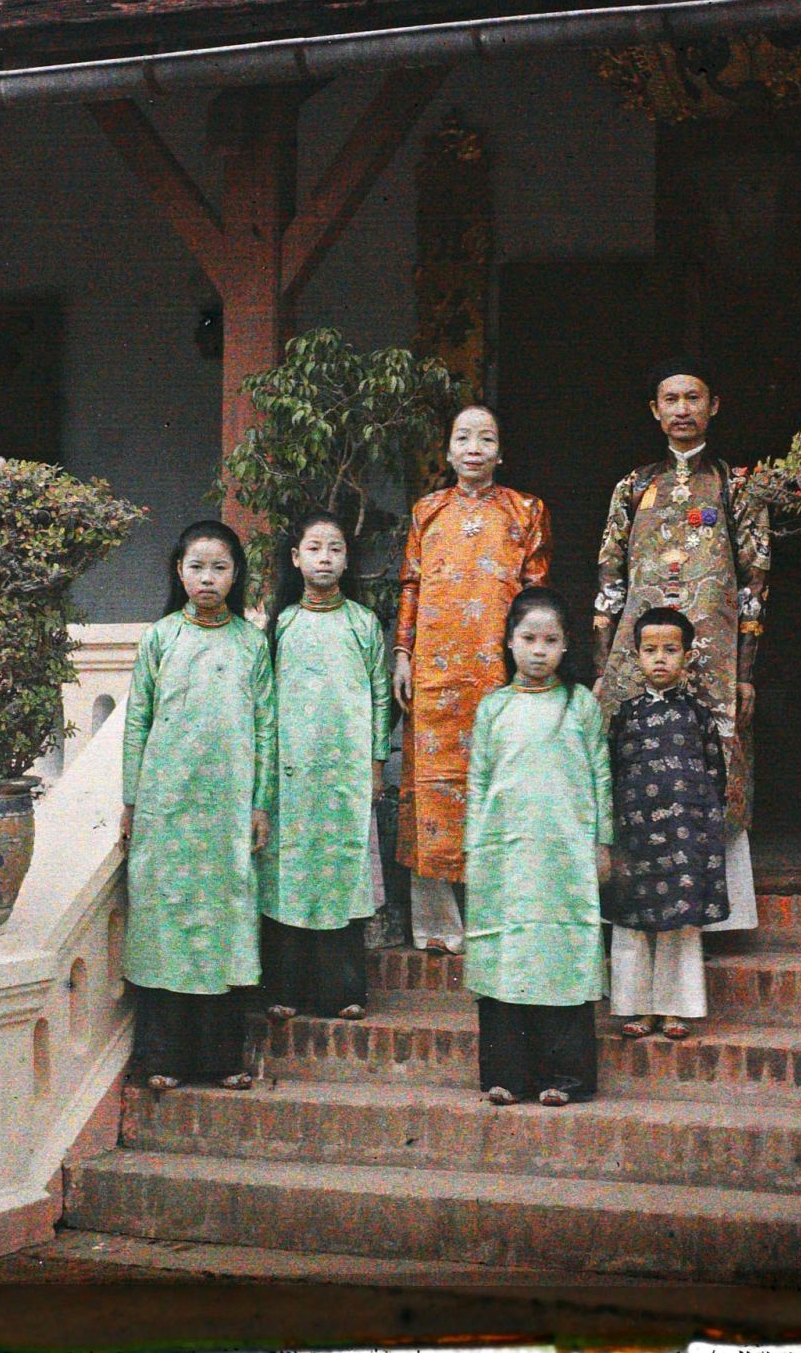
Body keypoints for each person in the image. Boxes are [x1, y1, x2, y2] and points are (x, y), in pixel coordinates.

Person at [593, 360, 767, 935]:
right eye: (671, 399)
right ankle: (637, 910)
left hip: (713, 659)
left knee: (713, 771)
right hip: (637, 656)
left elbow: (755, 584)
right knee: (638, 771)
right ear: (655, 410)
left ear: (713, 406)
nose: (682, 409)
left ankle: (718, 918)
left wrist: (745, 671)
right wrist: (602, 666)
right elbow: (609, 581)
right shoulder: (633, 486)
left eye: (693, 398)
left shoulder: (736, 484)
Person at [118, 520, 275, 1094]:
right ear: (178, 573)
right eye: (197, 567)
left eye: (220, 568)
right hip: (166, 807)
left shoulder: (252, 644)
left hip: (229, 809)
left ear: (236, 575)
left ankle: (221, 1059)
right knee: (167, 923)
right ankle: (163, 1058)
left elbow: (266, 728)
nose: (208, 578)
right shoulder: (161, 638)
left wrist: (261, 805)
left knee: (222, 924)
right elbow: (137, 723)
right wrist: (132, 801)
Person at [394, 404, 553, 956]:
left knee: (499, 788)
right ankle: (437, 925)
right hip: (433, 673)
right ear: (448, 450)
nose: (474, 449)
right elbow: (411, 585)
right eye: (463, 438)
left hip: (496, 670)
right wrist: (402, 653)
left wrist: (527, 662)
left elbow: (536, 593)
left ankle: (500, 917)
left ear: (500, 451)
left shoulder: (525, 509)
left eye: (486, 438)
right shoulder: (428, 510)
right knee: (432, 791)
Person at [463, 586, 611, 1108]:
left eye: (550, 640)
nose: (539, 651)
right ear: (509, 642)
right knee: (508, 958)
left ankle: (566, 1078)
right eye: (528, 639)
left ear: (566, 645)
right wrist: (474, 848)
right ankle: (508, 1075)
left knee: (561, 956)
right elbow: (478, 782)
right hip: (504, 855)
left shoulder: (581, 705)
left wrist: (603, 843)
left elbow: (601, 777)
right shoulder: (493, 708)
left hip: (566, 856)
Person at [260, 511, 391, 1022]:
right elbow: (265, 703)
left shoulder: (362, 623)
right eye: (314, 549)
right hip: (291, 774)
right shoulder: (282, 624)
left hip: (347, 774)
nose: (325, 559)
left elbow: (380, 697)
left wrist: (376, 763)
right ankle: (286, 990)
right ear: (296, 558)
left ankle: (343, 991)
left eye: (335, 549)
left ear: (347, 559)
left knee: (342, 874)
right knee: (292, 876)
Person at [606, 606, 728, 1042]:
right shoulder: (625, 715)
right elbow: (612, 772)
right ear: (636, 655)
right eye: (650, 650)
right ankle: (638, 1008)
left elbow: (714, 776)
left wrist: (703, 831)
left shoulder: (698, 716)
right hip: (635, 835)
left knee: (680, 920)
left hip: (684, 835)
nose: (660, 658)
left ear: (687, 656)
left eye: (670, 650)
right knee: (634, 919)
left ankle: (675, 1009)